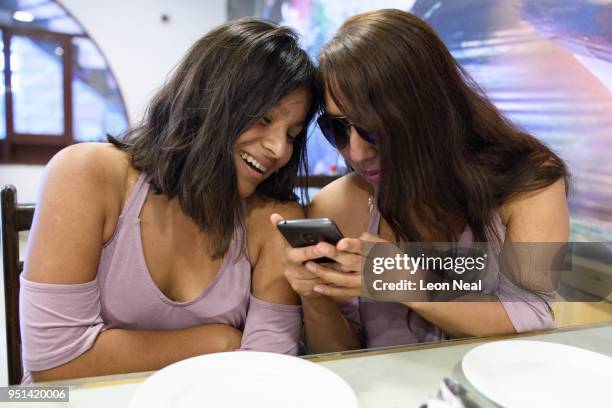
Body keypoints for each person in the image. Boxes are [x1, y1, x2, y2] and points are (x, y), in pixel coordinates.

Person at [20, 18, 320, 382]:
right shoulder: (85, 173)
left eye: (291, 134)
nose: (278, 149)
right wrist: (219, 341)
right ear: (208, 101)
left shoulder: (273, 216)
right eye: (262, 118)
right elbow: (54, 366)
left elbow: (267, 371)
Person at [272, 9, 569, 352]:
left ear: (427, 111)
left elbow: (531, 320)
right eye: (337, 128)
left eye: (372, 128)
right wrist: (316, 295)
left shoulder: (528, 182)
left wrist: (411, 285)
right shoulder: (338, 202)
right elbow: (342, 357)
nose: (356, 152)